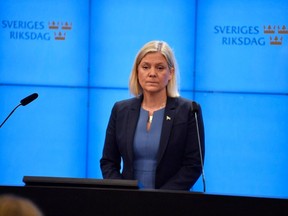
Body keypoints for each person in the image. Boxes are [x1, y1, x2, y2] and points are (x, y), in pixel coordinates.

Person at [100, 40, 205, 191]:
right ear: (137, 71)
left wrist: (159, 200)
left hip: (171, 203)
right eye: (145, 67)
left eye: (160, 68)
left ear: (171, 73)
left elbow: (193, 165)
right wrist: (122, 192)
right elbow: (108, 162)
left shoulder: (189, 110)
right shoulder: (120, 110)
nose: (152, 73)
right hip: (126, 203)